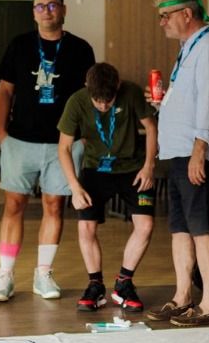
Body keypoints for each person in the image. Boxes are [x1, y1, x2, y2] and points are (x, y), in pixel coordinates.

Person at [0, 0, 96, 304]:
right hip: (20, 140)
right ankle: (5, 274)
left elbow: (88, 97)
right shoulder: (20, 45)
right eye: (40, 6)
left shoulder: (80, 49)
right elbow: (5, 92)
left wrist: (84, 135)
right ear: (33, 12)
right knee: (14, 205)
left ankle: (43, 273)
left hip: (63, 143)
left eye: (52, 5)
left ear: (63, 10)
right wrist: (1, 134)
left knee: (54, 206)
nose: (46, 11)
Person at [148, 0, 209, 326]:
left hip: (197, 153)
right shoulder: (188, 48)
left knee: (200, 227)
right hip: (179, 151)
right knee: (180, 228)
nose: (162, 23)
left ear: (187, 14)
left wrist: (200, 150)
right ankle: (183, 296)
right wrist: (164, 103)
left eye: (165, 16)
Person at [58, 62, 158, 313]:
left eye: (109, 101)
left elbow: (150, 127)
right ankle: (95, 284)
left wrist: (149, 166)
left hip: (132, 168)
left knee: (145, 225)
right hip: (95, 169)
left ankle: (124, 282)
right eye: (98, 102)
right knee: (86, 226)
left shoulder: (132, 92)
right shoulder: (76, 101)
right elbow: (64, 147)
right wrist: (74, 187)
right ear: (87, 88)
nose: (103, 106)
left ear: (118, 87)